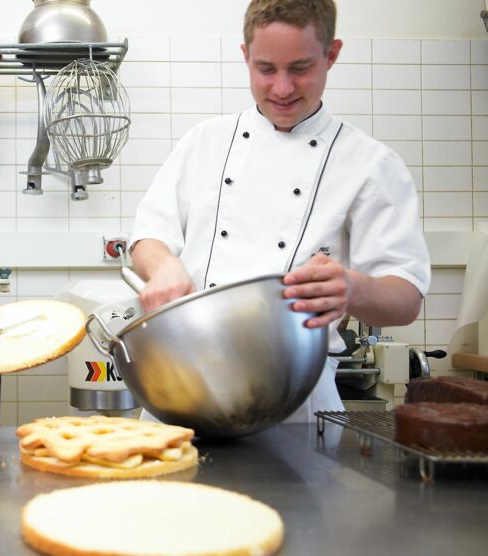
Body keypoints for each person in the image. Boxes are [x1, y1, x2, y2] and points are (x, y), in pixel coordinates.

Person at [129, 0, 430, 421]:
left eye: (301, 68)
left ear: (332, 55)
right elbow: (148, 238)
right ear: (245, 56)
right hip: (183, 382)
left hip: (296, 400)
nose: (283, 88)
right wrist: (161, 266)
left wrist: (353, 288)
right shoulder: (205, 142)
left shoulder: (370, 164)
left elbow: (406, 298)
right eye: (266, 69)